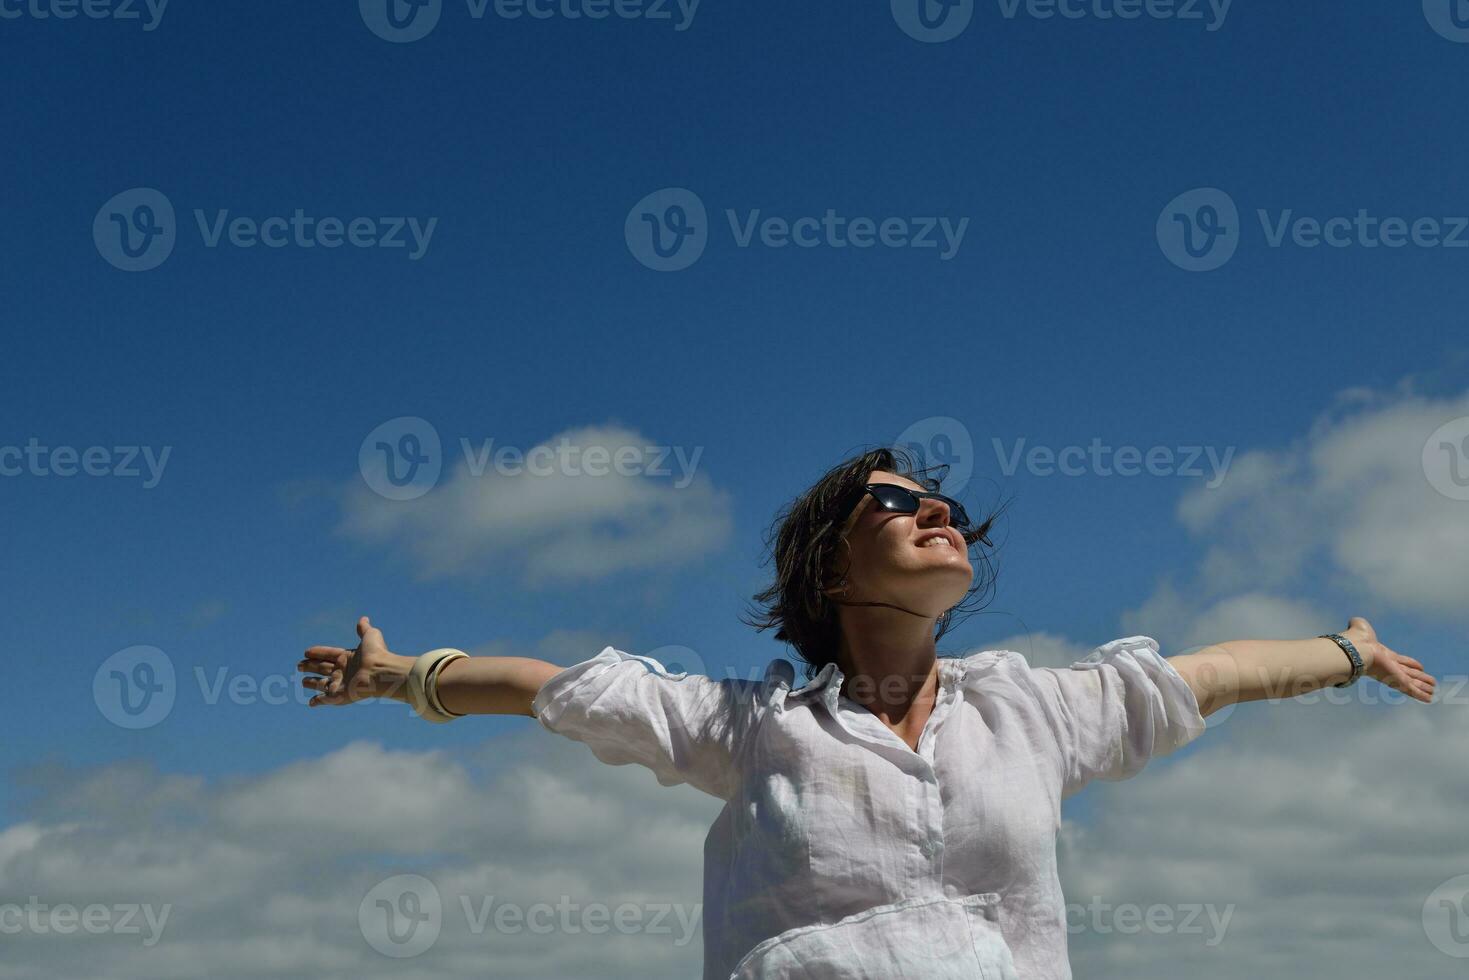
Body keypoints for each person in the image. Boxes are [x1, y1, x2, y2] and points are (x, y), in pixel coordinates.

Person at [296, 446, 1437, 979]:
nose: (932, 505)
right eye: (891, 501)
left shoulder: (1030, 711)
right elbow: (549, 687)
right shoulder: (754, 728)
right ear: (829, 571)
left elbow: (1209, 671)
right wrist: (402, 676)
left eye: (939, 500)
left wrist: (1347, 651)